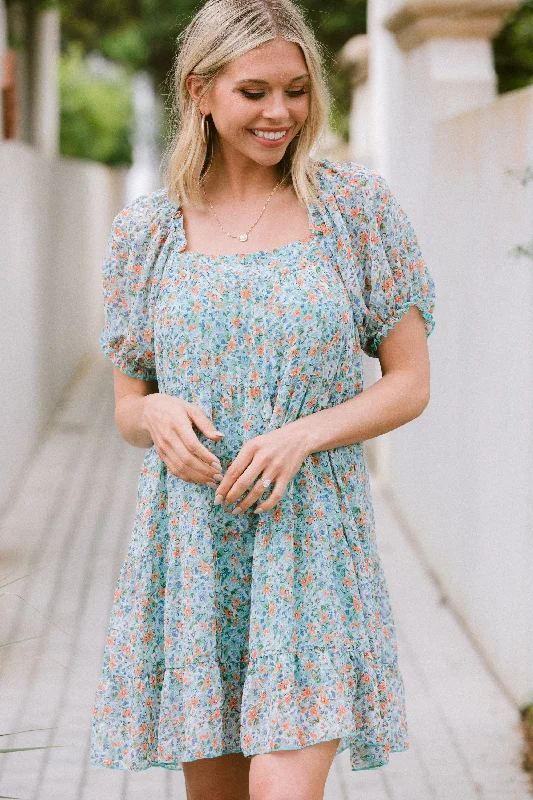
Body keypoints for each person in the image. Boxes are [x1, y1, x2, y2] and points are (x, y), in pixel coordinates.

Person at [89, 0, 436, 798]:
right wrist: (155, 413)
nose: (280, 112)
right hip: (191, 548)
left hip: (309, 542)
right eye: (254, 92)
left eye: (296, 89)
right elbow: (125, 407)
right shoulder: (145, 232)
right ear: (201, 91)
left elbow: (409, 382)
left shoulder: (355, 210)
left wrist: (300, 436)